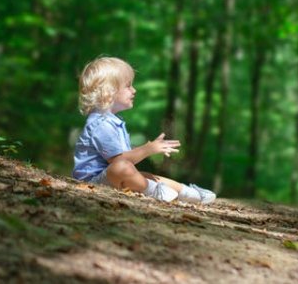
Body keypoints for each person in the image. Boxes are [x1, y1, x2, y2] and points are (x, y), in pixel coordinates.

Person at [73, 56, 216, 204]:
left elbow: (122, 157)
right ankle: (158, 192)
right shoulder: (101, 124)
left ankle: (189, 193)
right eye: (128, 86)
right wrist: (148, 149)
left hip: (110, 176)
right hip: (94, 182)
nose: (134, 90)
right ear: (108, 91)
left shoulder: (112, 122)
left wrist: (146, 149)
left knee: (145, 175)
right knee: (123, 167)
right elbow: (119, 161)